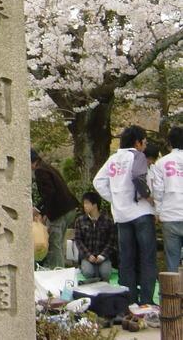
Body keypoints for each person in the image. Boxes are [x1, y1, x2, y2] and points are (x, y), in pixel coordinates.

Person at [93, 124, 157, 305]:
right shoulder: (138, 156)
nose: (145, 145)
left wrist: (114, 199)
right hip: (141, 212)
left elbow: (98, 181)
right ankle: (146, 301)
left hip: (121, 216)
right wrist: (148, 196)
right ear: (137, 142)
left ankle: (130, 301)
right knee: (147, 258)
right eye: (144, 142)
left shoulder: (113, 159)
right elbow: (140, 178)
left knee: (126, 260)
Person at [31, 148, 78, 268]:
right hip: (69, 209)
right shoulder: (48, 167)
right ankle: (58, 269)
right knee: (58, 244)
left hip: (59, 212)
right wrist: (45, 213)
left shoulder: (40, 171)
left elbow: (49, 193)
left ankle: (57, 272)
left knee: (54, 244)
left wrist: (38, 209)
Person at [151, 126, 183, 272]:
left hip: (170, 215)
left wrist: (158, 212)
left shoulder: (161, 163)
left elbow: (158, 191)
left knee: (172, 259)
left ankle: (173, 286)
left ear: (170, 142)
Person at [74, 191, 115, 281]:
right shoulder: (80, 220)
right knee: (89, 273)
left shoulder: (107, 220)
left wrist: (102, 256)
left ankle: (98, 270)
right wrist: (88, 255)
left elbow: (111, 241)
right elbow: (78, 240)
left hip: (103, 256)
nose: (84, 206)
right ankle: (90, 269)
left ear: (95, 205)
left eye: (87, 203)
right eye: (84, 203)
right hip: (87, 257)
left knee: (105, 274)